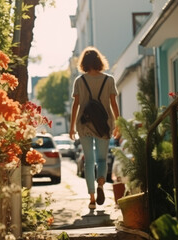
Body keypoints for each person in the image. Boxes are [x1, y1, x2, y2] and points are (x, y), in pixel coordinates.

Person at [69, 46, 120, 210]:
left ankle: (91, 198)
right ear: (99, 61)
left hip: (84, 125)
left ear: (83, 63)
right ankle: (100, 183)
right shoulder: (109, 80)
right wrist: (118, 124)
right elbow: (113, 105)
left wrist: (71, 128)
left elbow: (75, 106)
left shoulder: (79, 81)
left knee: (89, 161)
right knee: (102, 160)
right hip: (104, 126)